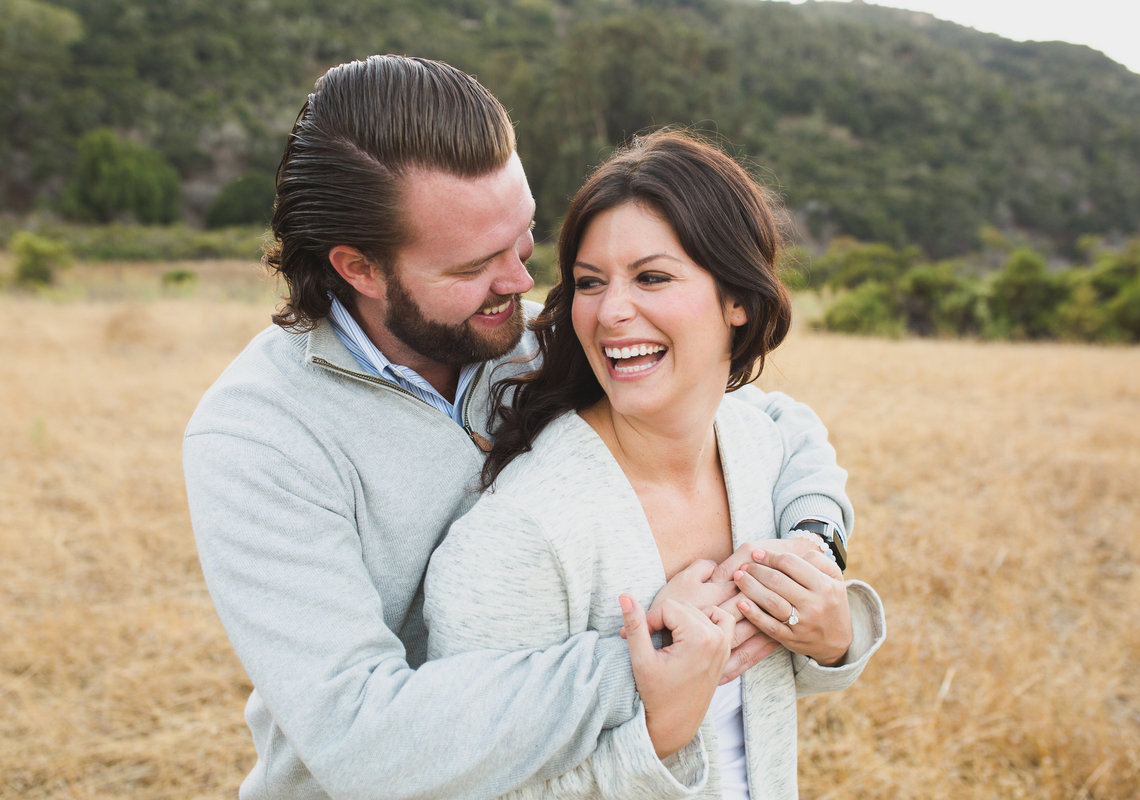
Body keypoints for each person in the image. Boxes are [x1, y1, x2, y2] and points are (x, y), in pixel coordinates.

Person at [183, 55, 861, 800]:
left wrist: (813, 547)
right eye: (475, 263)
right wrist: (645, 661)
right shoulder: (258, 437)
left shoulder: (541, 337)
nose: (521, 282)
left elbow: (770, 424)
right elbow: (362, 739)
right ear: (360, 269)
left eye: (524, 237)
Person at [424, 129, 885, 799]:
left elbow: (800, 434)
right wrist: (659, 734)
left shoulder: (756, 446)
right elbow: (463, 786)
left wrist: (836, 634)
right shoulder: (522, 537)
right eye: (589, 283)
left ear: (739, 299)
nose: (612, 312)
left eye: (652, 277)